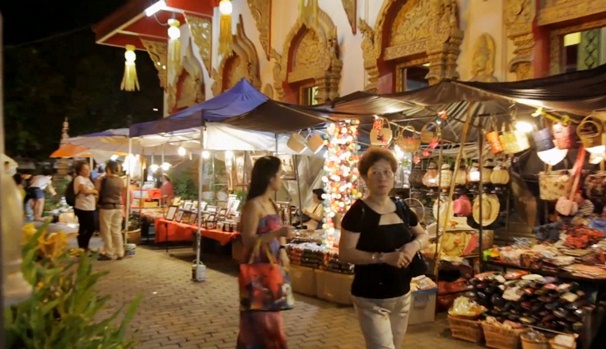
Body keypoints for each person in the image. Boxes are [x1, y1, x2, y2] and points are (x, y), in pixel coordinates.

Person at [338, 147, 429, 349]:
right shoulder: (358, 212)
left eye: (387, 172)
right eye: (375, 172)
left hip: (402, 295)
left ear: (394, 175)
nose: (382, 178)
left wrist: (413, 245)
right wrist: (384, 257)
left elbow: (423, 235)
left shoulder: (402, 207)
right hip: (371, 298)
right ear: (364, 177)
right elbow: (345, 253)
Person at [237, 156, 293, 349]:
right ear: (270, 177)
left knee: (273, 315)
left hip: (272, 266)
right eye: (280, 174)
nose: (281, 179)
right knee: (260, 319)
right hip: (257, 268)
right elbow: (248, 239)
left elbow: (280, 232)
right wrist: (276, 234)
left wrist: (283, 249)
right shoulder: (254, 205)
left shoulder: (271, 203)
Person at [97, 160, 126, 261]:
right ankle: (120, 252)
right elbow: (122, 190)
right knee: (116, 230)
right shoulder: (121, 181)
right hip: (118, 207)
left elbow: (98, 190)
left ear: (108, 169)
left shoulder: (104, 180)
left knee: (106, 231)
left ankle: (109, 253)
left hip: (106, 207)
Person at [73, 161, 98, 251]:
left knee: (91, 227)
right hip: (82, 207)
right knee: (85, 227)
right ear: (80, 171)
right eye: (85, 169)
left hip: (90, 207)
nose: (87, 171)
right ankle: (82, 247)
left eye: (88, 169)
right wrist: (93, 191)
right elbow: (84, 191)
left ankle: (84, 246)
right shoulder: (79, 178)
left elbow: (93, 190)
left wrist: (93, 191)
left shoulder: (87, 179)